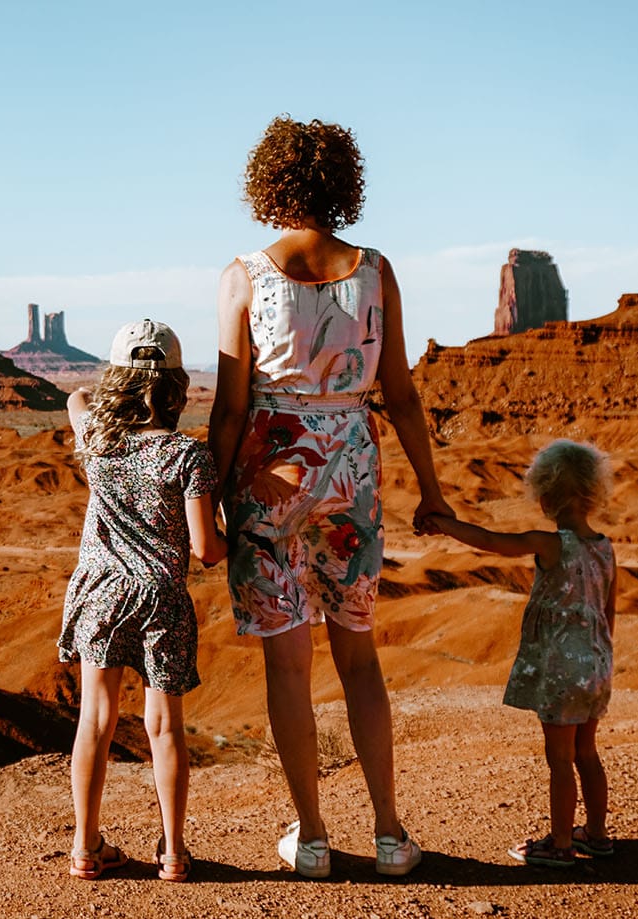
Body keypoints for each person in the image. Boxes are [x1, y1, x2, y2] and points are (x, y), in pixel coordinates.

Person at [208, 116, 452, 878]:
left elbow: (228, 409)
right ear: (343, 183)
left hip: (269, 470)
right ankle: (389, 834)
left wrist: (208, 501)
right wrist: (433, 492)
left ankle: (312, 837)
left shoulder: (244, 276)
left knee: (289, 668)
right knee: (360, 658)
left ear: (269, 181)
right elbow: (402, 394)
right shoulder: (376, 271)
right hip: (352, 468)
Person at [60, 318, 229, 883]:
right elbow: (206, 549)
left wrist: (110, 395)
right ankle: (174, 852)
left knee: (95, 719)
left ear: (117, 380)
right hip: (162, 596)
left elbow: (75, 398)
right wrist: (241, 539)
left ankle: (86, 848)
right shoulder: (188, 456)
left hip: (101, 591)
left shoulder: (97, 440)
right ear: (178, 386)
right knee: (164, 726)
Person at [425, 439, 616, 868]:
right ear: (593, 493)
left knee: (560, 759)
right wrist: (597, 660)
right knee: (587, 753)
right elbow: (608, 613)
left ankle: (561, 845)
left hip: (562, 671)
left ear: (545, 496)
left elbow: (492, 541)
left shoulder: (550, 544)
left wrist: (444, 524)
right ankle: (597, 834)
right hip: (596, 666)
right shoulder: (606, 548)